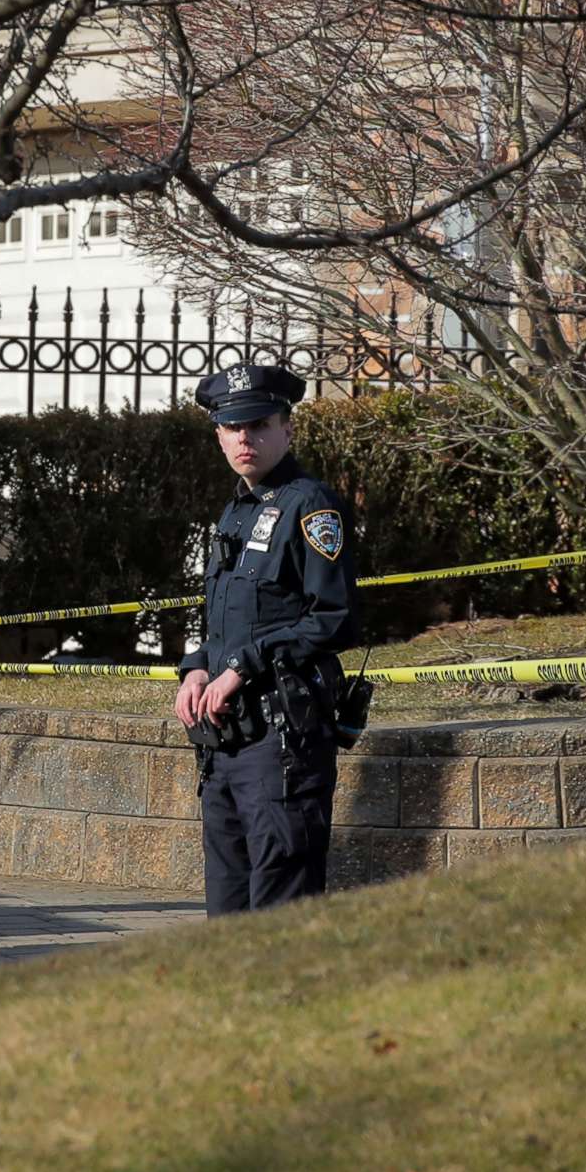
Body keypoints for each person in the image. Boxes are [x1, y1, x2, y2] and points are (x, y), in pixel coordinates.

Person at [173, 362, 357, 915]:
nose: (245, 438)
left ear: (287, 429)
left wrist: (244, 666)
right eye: (233, 427)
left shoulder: (311, 507)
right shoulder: (236, 510)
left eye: (258, 424)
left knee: (280, 908)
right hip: (226, 739)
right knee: (226, 911)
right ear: (219, 436)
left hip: (283, 740)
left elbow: (334, 617)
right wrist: (199, 666)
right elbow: (229, 618)